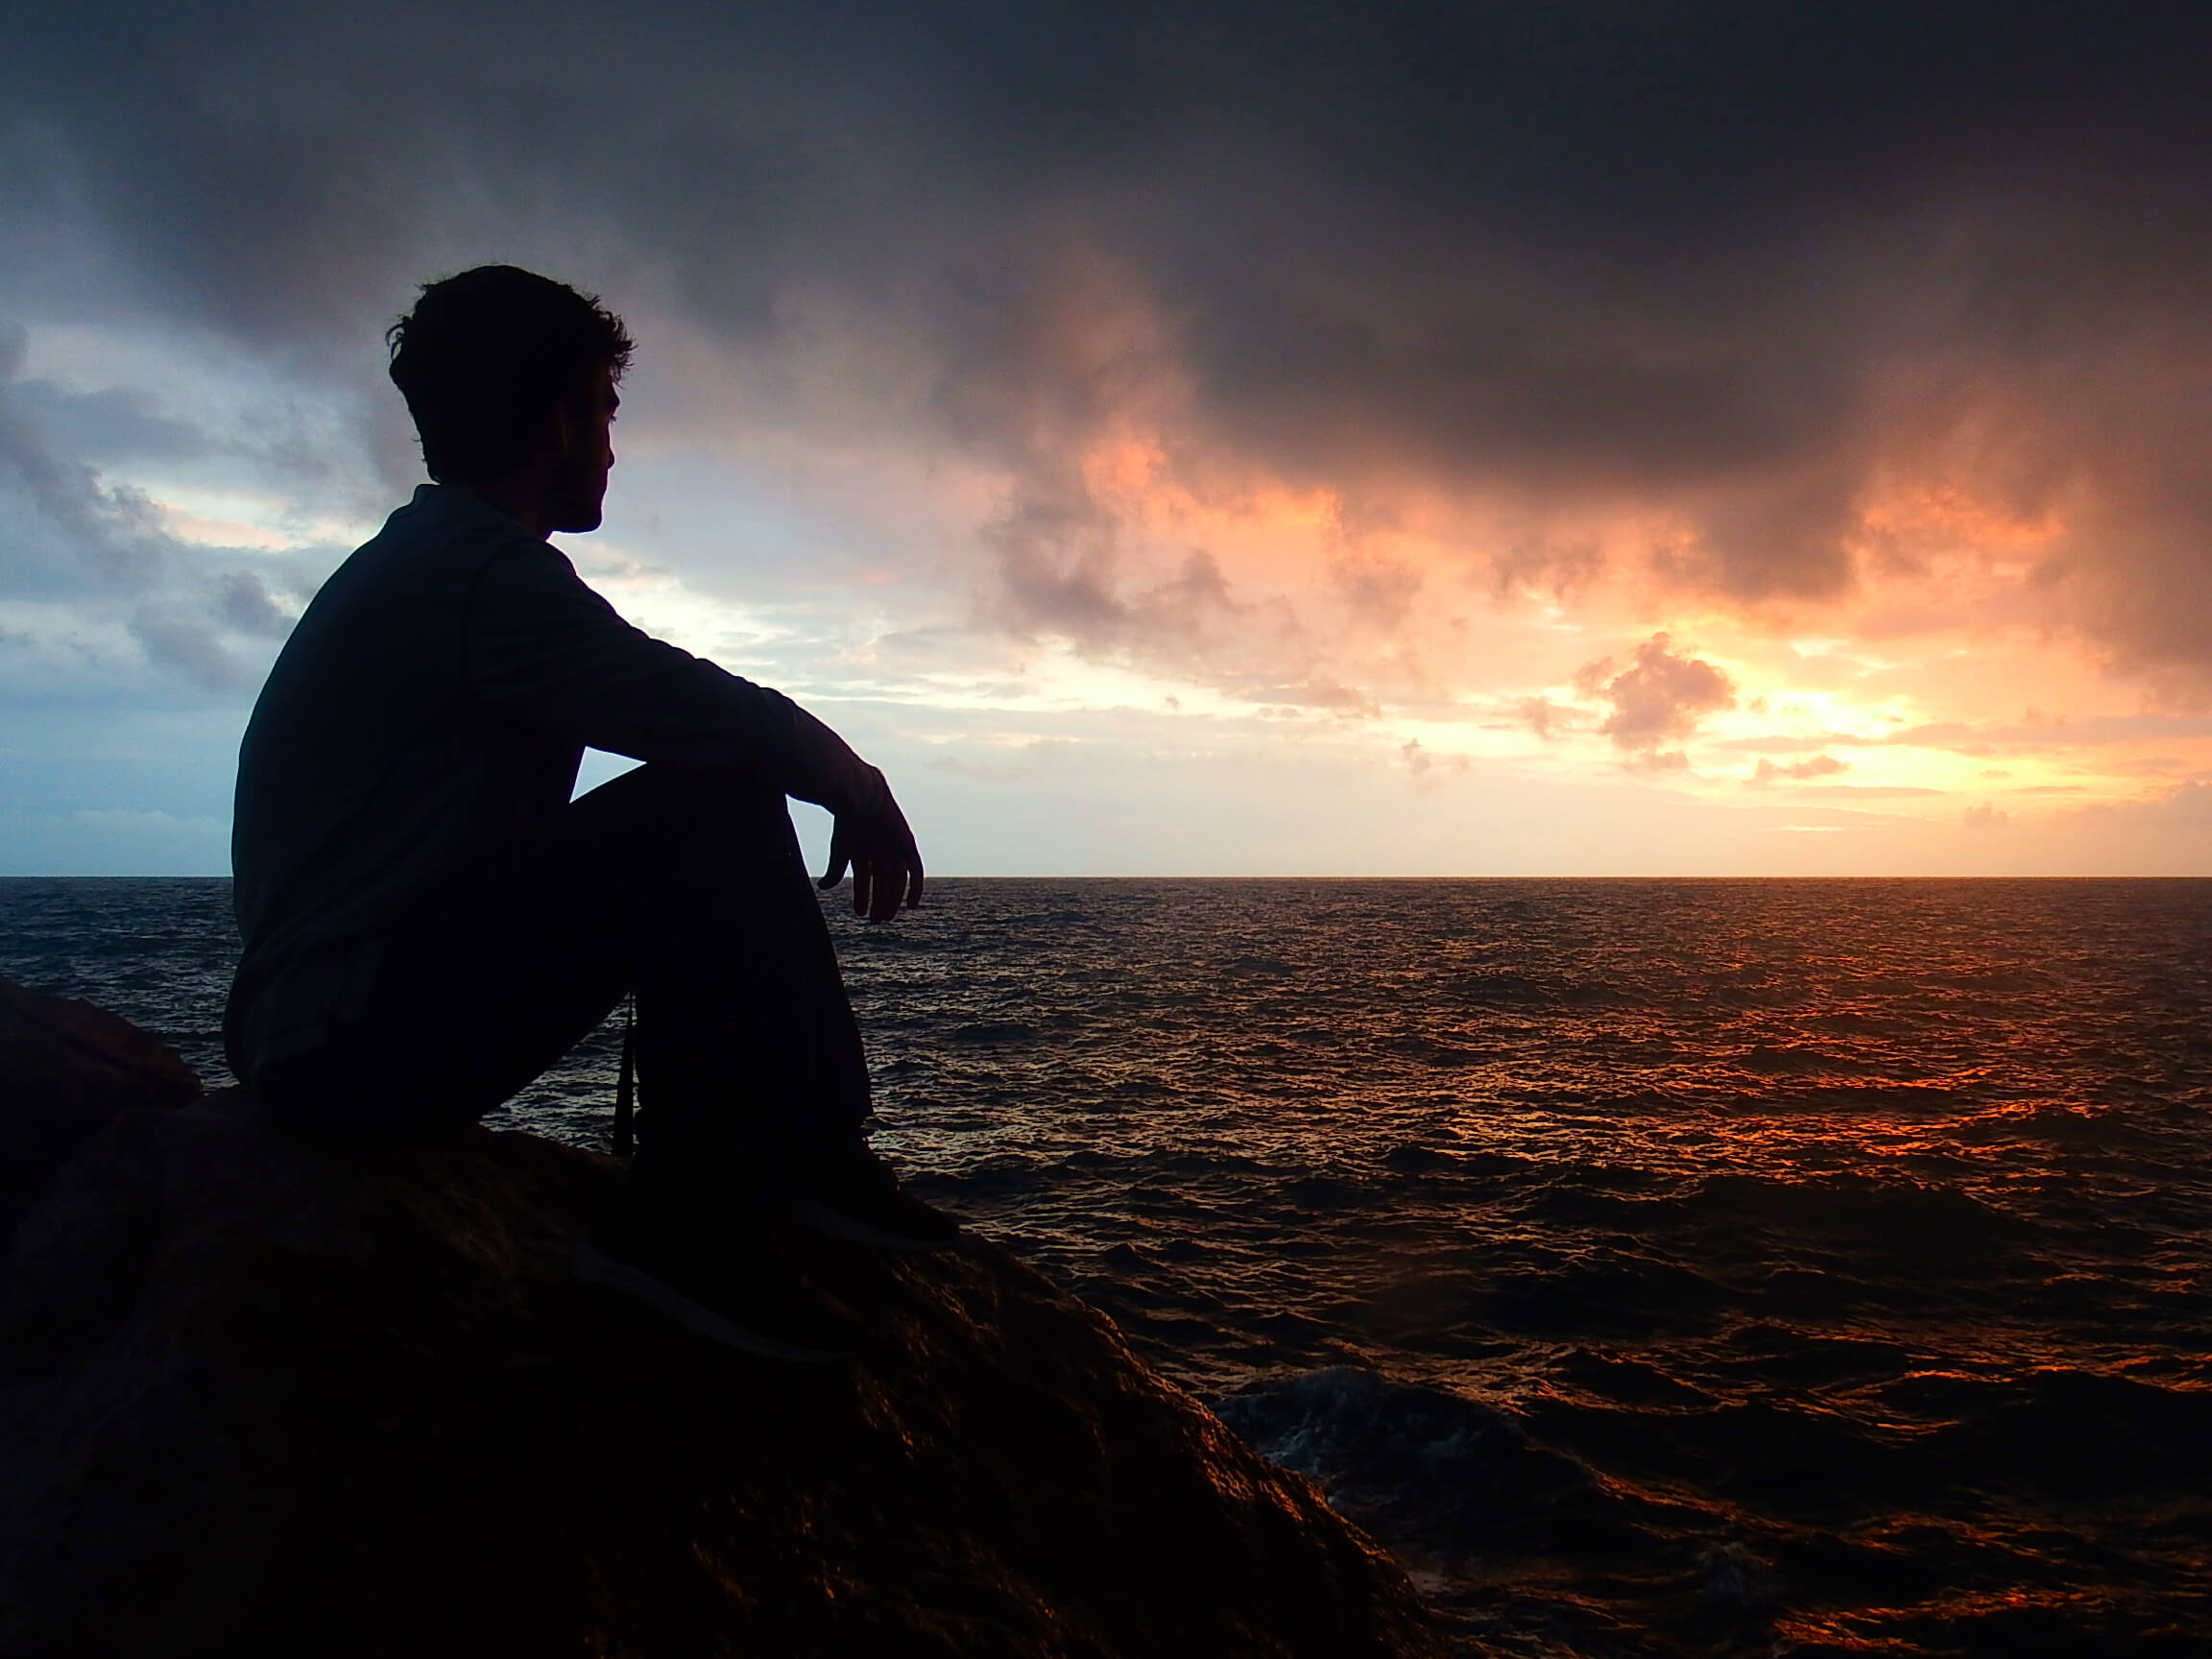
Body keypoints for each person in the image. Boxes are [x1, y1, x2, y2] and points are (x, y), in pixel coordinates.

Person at [225, 264, 955, 1362]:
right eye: (606, 413)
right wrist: (858, 783)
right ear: (556, 419)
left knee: (708, 798)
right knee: (709, 803)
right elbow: (702, 711)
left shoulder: (434, 564)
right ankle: (692, 1228)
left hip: (335, 1026)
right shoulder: (479, 578)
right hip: (342, 1044)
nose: (613, 447)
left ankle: (794, 1161)